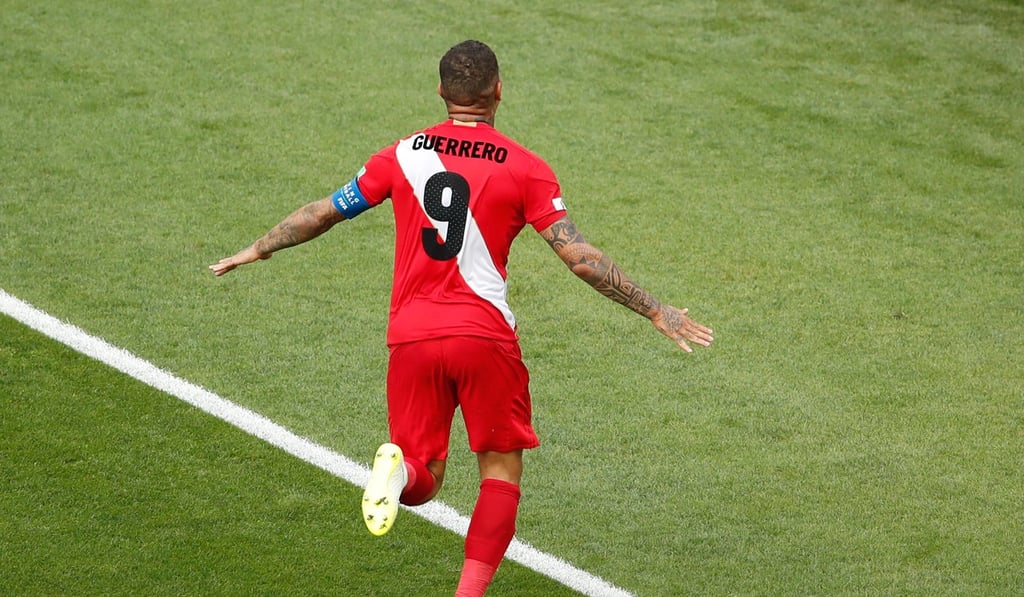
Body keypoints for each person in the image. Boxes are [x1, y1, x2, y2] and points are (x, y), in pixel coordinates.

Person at [210, 39, 713, 596]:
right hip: (483, 338)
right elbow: (580, 258)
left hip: (411, 338)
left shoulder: (401, 155)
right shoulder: (525, 168)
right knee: (500, 474)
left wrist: (259, 247)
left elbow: (323, 212)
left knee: (423, 480)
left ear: (441, 92)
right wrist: (656, 310)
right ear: (498, 91)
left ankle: (397, 472)